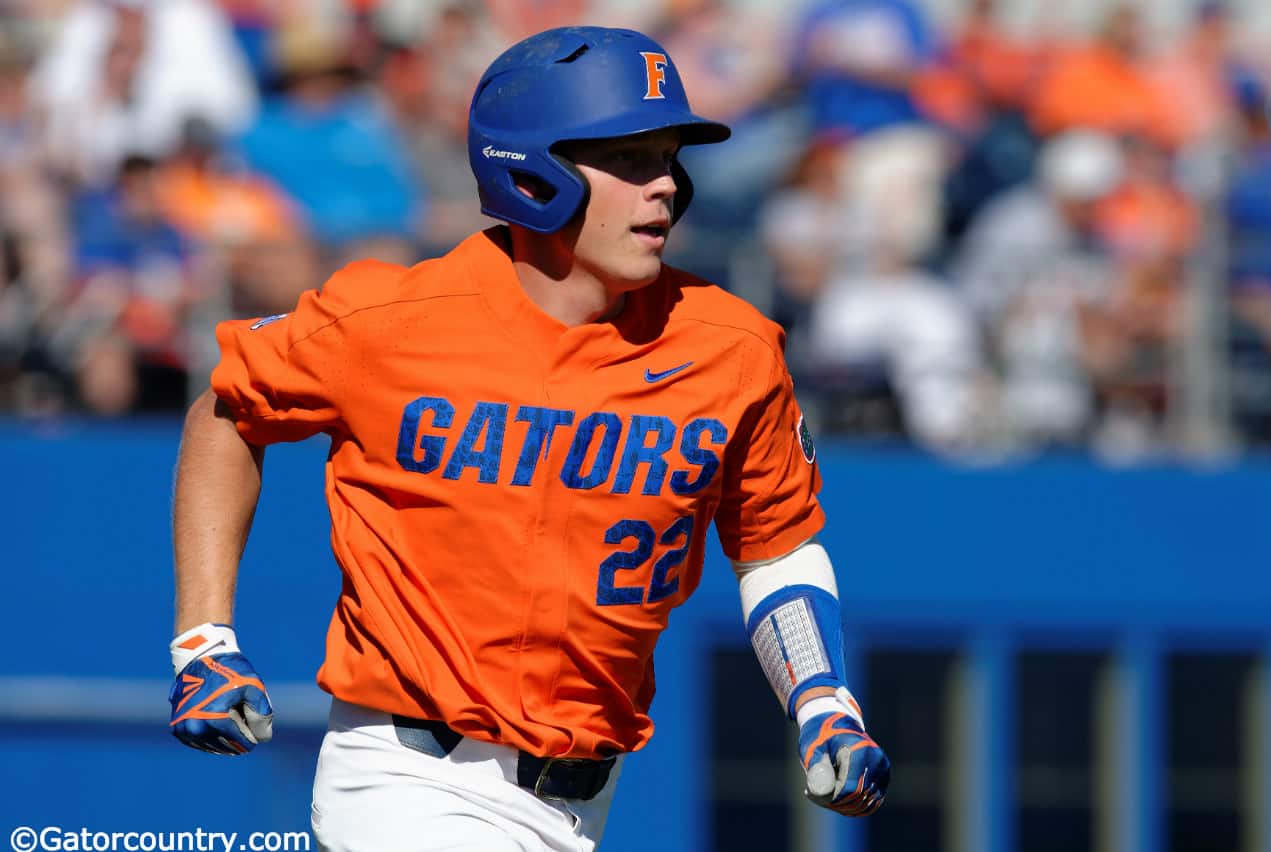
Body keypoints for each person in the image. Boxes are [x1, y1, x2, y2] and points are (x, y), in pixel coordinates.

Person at [166, 25, 890, 851]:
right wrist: (204, 640)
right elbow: (226, 412)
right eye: (630, 158)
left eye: (668, 157)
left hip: (581, 800)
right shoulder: (392, 320)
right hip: (406, 777)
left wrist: (824, 700)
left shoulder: (731, 347)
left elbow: (773, 549)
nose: (665, 186)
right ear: (533, 171)